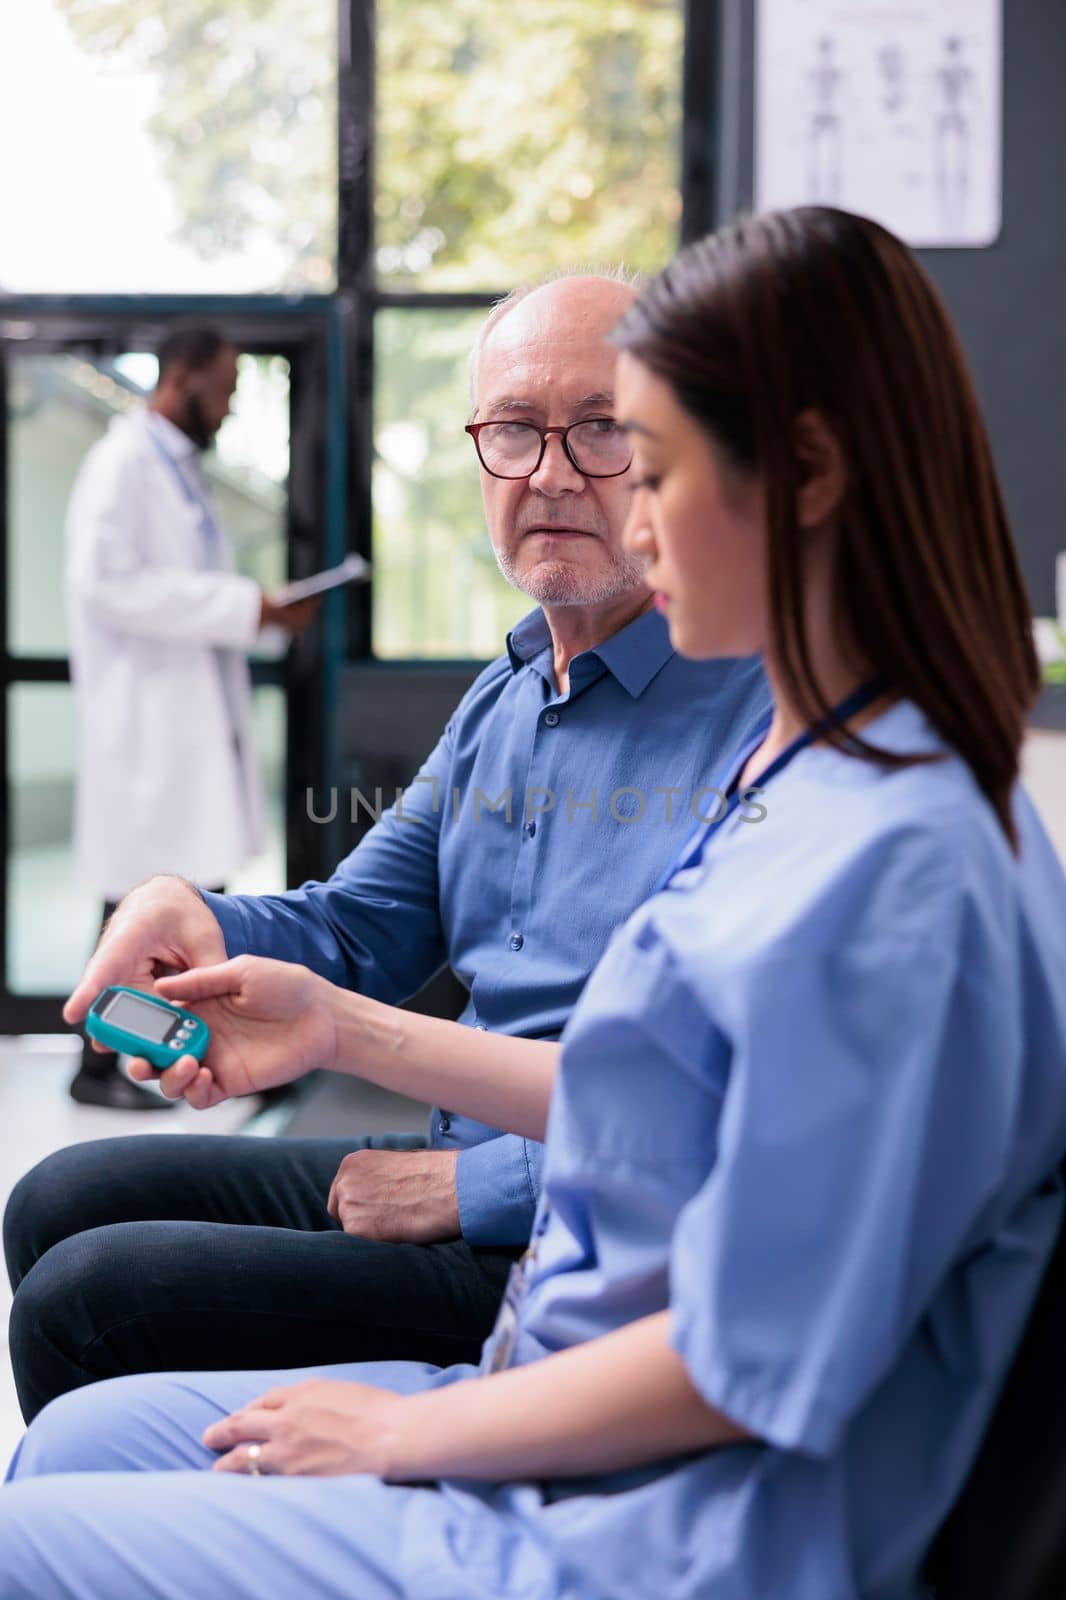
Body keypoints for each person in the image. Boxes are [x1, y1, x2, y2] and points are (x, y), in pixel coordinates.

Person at [3, 204, 1064, 1600]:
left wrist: (411, 1420)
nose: (598, 498)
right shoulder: (743, 751)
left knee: (50, 1460)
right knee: (71, 1407)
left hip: (621, 1514)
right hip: (558, 1374)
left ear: (799, 474)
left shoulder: (880, 853)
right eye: (516, 433)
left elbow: (756, 1350)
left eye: (638, 450)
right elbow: (646, 1077)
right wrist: (315, 1011)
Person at [4, 275, 770, 1420]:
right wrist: (196, 916)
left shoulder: (761, 722)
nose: (550, 473)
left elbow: (747, 1105)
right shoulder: (506, 698)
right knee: (58, 1196)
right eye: (513, 429)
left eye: (600, 428)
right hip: (461, 1150)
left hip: (585, 1229)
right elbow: (357, 926)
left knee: (90, 1295)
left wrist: (481, 1188)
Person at [64, 325, 318, 1110]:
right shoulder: (121, 464)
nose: (232, 406)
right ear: (183, 377)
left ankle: (201, 1055)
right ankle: (100, 1066)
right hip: (147, 727)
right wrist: (249, 605)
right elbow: (107, 585)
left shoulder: (175, 470)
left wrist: (253, 610)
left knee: (185, 896)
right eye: (227, 388)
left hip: (182, 723)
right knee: (143, 901)